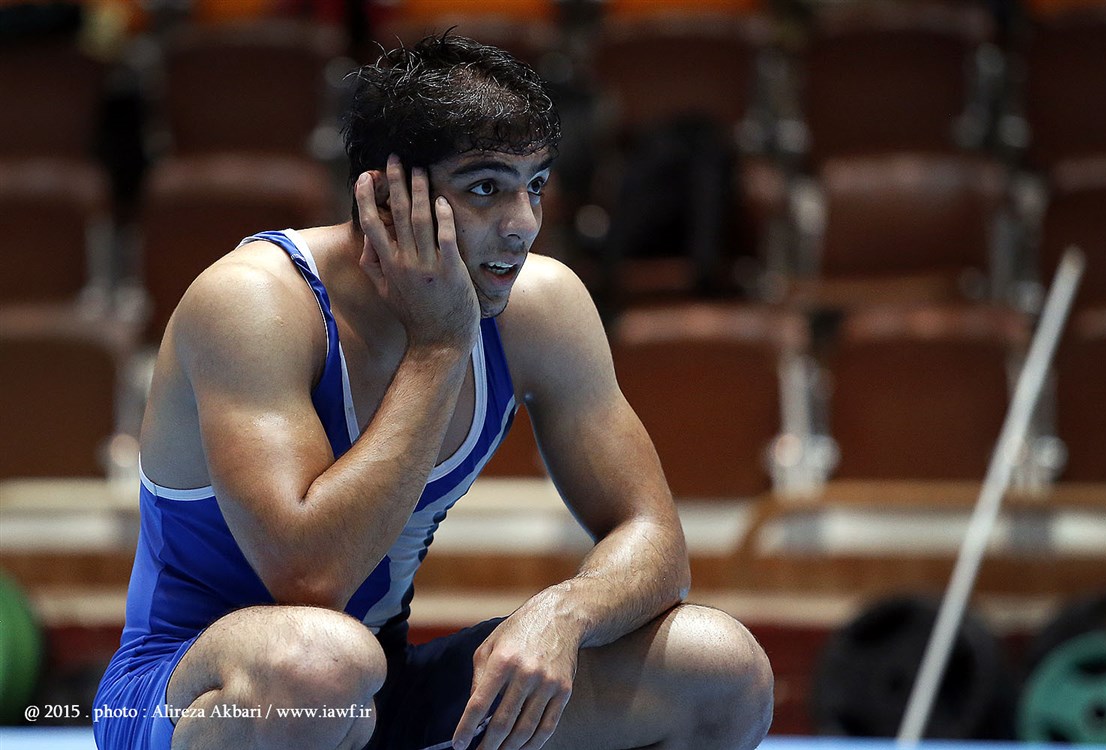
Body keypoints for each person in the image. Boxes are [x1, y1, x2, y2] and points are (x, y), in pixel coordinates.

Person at [93, 34, 774, 750]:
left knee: (718, 667)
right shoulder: (252, 302)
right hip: (184, 694)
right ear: (388, 199)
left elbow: (655, 539)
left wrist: (565, 614)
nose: (522, 225)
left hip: (377, 698)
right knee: (320, 666)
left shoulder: (540, 306)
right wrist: (440, 346)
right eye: (485, 189)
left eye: (535, 185)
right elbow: (310, 577)